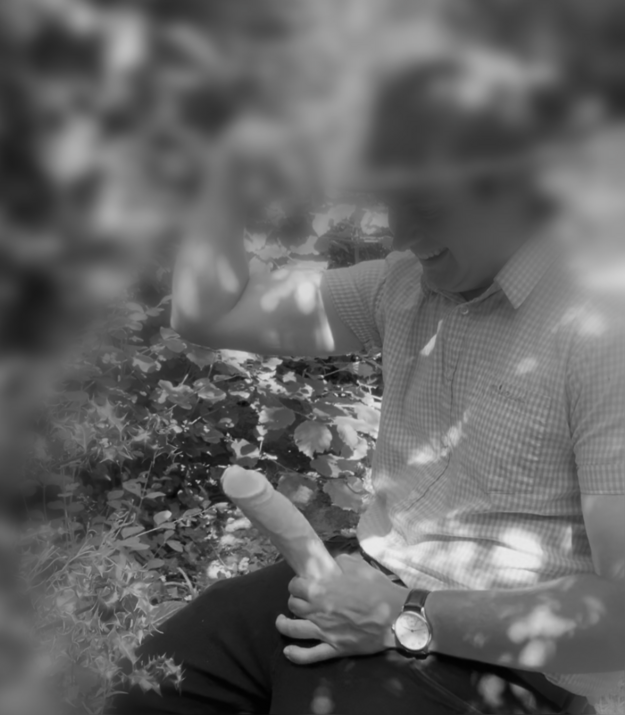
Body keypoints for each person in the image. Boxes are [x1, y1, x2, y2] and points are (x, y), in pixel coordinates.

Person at [112, 58, 625, 715]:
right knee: (145, 686)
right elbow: (209, 313)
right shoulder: (403, 284)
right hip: (364, 579)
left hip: (497, 654)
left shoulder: (602, 328)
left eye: (427, 206)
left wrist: (404, 614)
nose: (400, 233)